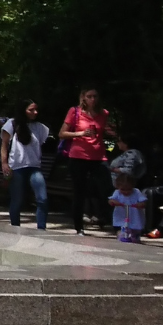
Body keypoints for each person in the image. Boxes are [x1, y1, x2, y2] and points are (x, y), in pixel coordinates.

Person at [56, 87, 113, 234]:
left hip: (98, 156)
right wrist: (81, 133)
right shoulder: (75, 112)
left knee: (106, 188)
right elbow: (62, 133)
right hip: (78, 156)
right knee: (79, 191)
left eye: (95, 96)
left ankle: (107, 219)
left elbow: (105, 131)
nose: (93, 99)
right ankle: (78, 226)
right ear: (83, 98)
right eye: (89, 96)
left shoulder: (103, 113)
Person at [0, 101, 49, 230]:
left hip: (34, 166)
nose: (35, 113)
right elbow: (4, 145)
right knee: (17, 200)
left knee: (42, 198)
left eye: (36, 110)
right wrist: (4, 163)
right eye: (31, 110)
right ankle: (15, 227)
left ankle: (41, 228)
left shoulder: (40, 127)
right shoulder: (12, 124)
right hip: (17, 167)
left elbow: (40, 144)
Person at [109, 171, 147, 243]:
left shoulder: (136, 192)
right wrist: (115, 202)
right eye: (123, 189)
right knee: (121, 227)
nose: (126, 192)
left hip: (134, 215)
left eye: (129, 189)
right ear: (118, 187)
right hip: (122, 215)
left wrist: (140, 204)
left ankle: (136, 235)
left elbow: (143, 201)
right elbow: (111, 200)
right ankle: (121, 235)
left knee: (135, 228)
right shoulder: (117, 192)